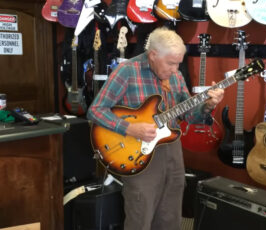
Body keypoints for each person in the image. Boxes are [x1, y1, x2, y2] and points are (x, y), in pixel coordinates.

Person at [87, 26, 224, 230]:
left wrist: (208, 105)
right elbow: (95, 110)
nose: (175, 70)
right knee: (140, 216)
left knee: (171, 216)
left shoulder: (175, 76)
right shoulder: (127, 71)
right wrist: (129, 128)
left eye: (178, 63)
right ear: (153, 55)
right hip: (137, 152)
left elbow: (189, 114)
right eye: (170, 63)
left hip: (172, 151)